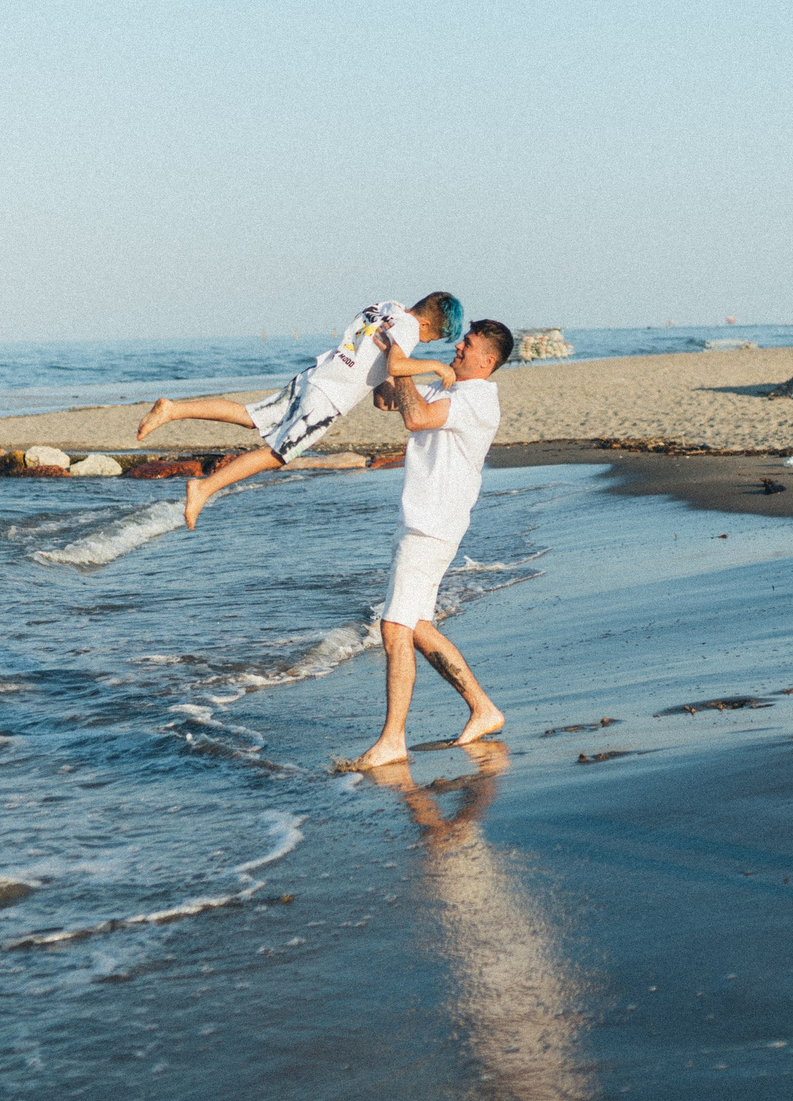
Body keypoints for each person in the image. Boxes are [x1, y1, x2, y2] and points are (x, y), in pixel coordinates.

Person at [334, 318, 517, 771]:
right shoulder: (453, 391)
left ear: (487, 360)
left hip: (432, 525)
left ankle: (393, 740)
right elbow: (388, 401)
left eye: (467, 344)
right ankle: (483, 709)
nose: (458, 347)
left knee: (393, 628)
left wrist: (423, 367)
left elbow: (414, 417)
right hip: (424, 522)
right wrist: (393, 354)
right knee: (415, 625)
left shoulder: (477, 399)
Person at [137, 293, 464, 531]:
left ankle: (173, 409)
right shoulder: (408, 329)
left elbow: (378, 365)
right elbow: (395, 363)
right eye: (430, 338)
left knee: (251, 415)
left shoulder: (386, 307)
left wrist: (385, 388)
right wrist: (436, 367)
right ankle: (204, 488)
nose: (425, 342)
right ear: (425, 324)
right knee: (278, 455)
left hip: (314, 376)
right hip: (328, 399)